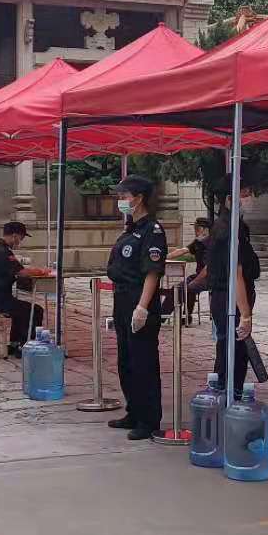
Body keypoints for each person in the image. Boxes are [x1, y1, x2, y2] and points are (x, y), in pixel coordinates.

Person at [104, 175, 167, 440]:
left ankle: (149, 419)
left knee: (143, 362)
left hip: (139, 299)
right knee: (126, 361)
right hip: (122, 299)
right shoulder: (131, 229)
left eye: (124, 196)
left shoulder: (152, 230)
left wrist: (142, 307)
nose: (120, 201)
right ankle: (134, 410)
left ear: (139, 198)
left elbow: (152, 272)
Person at [208, 185, 262, 400]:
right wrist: (245, 314)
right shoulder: (228, 229)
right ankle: (229, 396)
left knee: (233, 349)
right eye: (245, 194)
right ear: (230, 198)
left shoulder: (235, 225)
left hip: (231, 296)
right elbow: (235, 273)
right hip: (230, 298)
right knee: (233, 350)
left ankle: (229, 392)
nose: (250, 198)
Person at [0, 220, 50, 358]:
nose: (20, 242)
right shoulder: (3, 252)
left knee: (20, 309)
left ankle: (15, 343)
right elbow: (22, 272)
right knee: (35, 310)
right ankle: (26, 345)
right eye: (20, 238)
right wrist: (42, 271)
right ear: (15, 236)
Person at [171, 216, 212, 318]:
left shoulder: (211, 244)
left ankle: (186, 316)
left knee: (190, 288)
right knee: (177, 288)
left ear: (204, 230)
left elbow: (208, 268)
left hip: (210, 277)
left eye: (197, 228)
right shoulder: (198, 242)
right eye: (195, 228)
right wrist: (164, 257)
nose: (195, 231)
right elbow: (183, 250)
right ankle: (163, 316)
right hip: (199, 275)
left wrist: (196, 281)